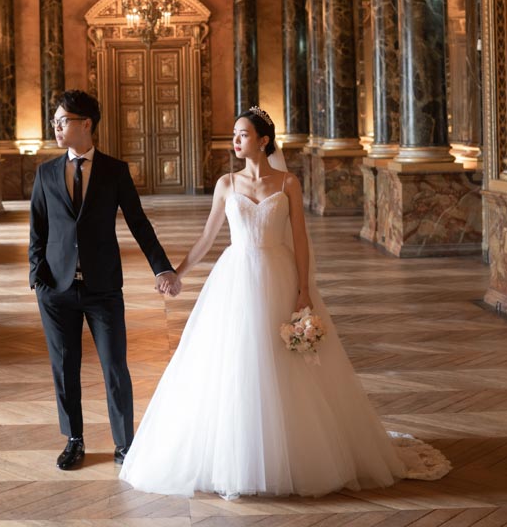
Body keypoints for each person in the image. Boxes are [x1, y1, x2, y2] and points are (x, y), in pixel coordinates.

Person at [118, 106, 450, 498]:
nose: (236, 140)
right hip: (236, 280)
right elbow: (208, 239)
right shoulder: (227, 183)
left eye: (243, 134)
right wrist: (176, 273)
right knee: (239, 361)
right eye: (235, 134)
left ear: (263, 140)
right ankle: (240, 455)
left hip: (280, 275)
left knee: (285, 362)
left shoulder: (288, 183)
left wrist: (304, 290)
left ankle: (296, 450)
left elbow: (301, 240)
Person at [29, 89, 181, 471]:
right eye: (55, 121)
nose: (57, 127)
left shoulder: (115, 171)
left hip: (103, 289)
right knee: (64, 368)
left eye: (63, 121)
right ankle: (74, 440)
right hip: (57, 289)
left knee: (115, 367)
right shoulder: (46, 172)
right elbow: (38, 228)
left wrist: (162, 267)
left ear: (86, 124)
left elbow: (139, 223)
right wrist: (38, 279)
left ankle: (125, 444)